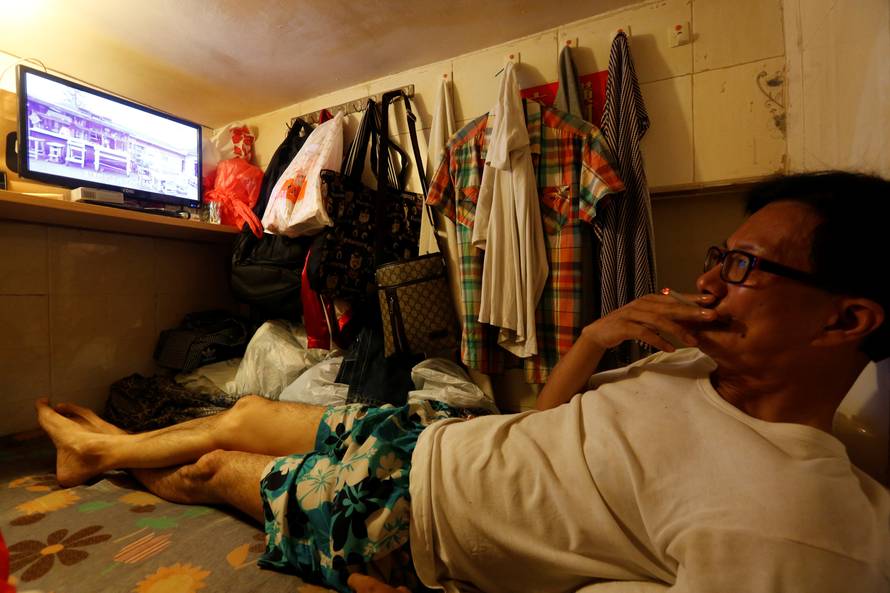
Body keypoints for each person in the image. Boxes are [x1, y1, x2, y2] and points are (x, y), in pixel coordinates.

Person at [37, 171, 889, 593]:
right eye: (717, 257)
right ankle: (100, 445)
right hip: (440, 438)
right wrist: (593, 338)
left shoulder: (786, 520)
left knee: (221, 471)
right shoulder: (694, 362)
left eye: (741, 266)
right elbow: (546, 430)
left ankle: (105, 460)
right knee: (252, 406)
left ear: (846, 320)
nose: (708, 283)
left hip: (420, 515)